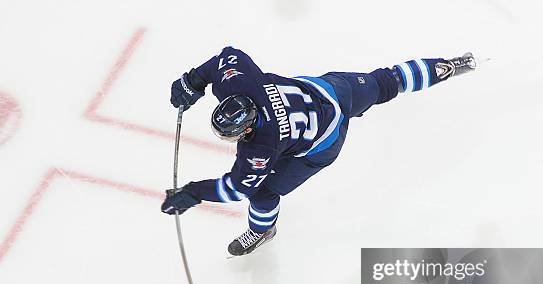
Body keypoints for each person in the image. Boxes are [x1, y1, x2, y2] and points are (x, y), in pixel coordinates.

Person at [161, 47, 476, 256]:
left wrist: (193, 193)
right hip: (328, 91)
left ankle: (262, 230)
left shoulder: (261, 147)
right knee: (384, 82)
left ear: (245, 129)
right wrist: (193, 82)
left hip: (321, 143)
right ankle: (448, 67)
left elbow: (237, 188)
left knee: (264, 194)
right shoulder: (242, 85)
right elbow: (226, 57)